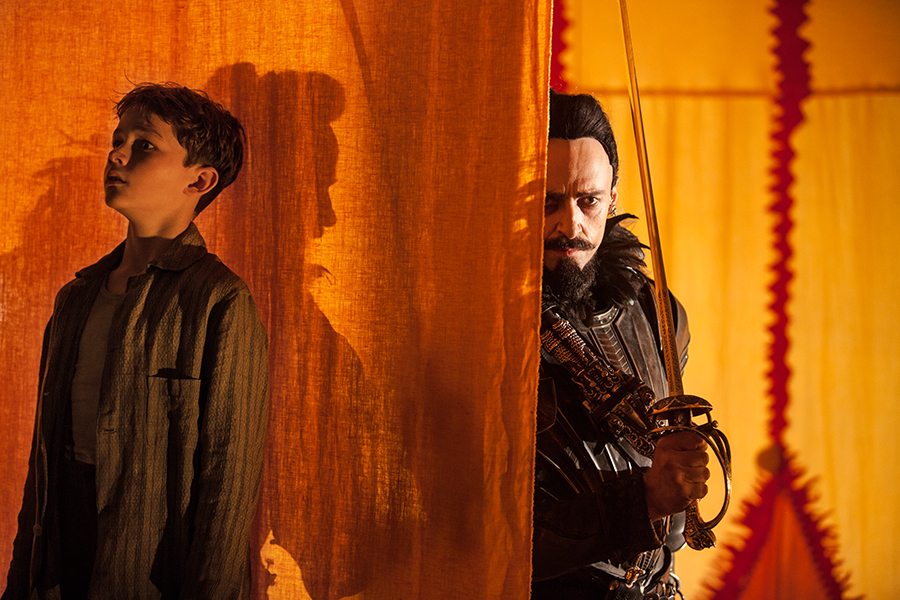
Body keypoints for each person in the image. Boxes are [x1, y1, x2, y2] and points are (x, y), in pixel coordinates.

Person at [3, 83, 269, 599]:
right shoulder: (76, 297)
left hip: (148, 570)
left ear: (199, 180)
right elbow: (42, 466)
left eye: (144, 144)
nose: (117, 154)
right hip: (60, 558)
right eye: (118, 140)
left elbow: (229, 485)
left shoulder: (218, 300)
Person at [532, 90, 711, 600]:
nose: (570, 225)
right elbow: (473, 535)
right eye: (548, 201)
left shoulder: (656, 311)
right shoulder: (478, 329)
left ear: (612, 198)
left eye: (587, 201)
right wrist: (643, 499)